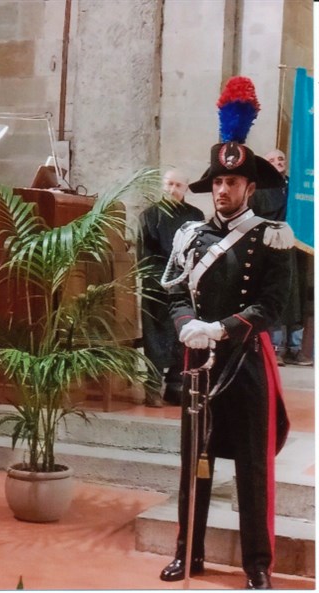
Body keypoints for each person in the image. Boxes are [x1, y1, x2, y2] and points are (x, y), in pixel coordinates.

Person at [159, 139, 292, 590]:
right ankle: (187, 551)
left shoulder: (272, 237)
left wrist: (221, 328)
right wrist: (184, 324)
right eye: (217, 181)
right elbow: (175, 291)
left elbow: (273, 306)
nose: (221, 190)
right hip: (199, 363)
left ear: (249, 187)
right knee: (194, 462)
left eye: (231, 181)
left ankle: (257, 564)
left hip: (246, 360)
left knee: (253, 467)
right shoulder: (190, 236)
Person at [136, 169, 204, 407]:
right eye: (169, 184)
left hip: (184, 285)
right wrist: (162, 283)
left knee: (181, 335)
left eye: (178, 185)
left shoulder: (196, 216)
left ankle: (175, 386)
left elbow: (198, 252)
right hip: (155, 286)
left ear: (185, 188)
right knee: (154, 338)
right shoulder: (149, 215)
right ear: (163, 186)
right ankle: (152, 387)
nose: (173, 189)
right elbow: (144, 257)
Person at [249, 149, 311, 367]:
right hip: (272, 247)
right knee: (275, 293)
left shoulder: (296, 187)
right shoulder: (259, 188)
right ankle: (276, 348)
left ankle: (295, 348)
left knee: (296, 296)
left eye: (281, 159)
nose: (278, 163)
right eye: (272, 160)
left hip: (296, 247)